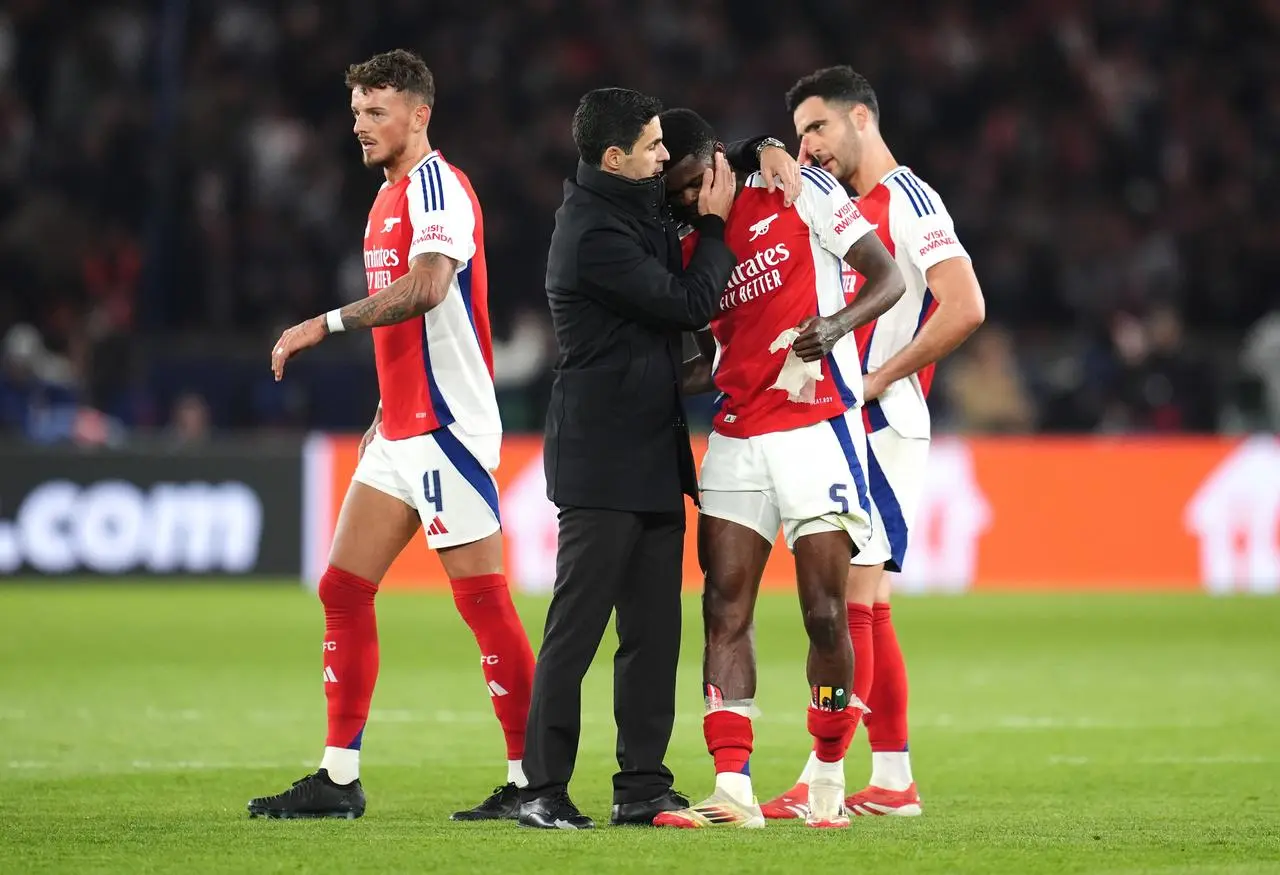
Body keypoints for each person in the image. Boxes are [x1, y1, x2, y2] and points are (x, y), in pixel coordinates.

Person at [247, 49, 536, 821]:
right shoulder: (384, 198)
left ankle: (529, 779)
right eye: (355, 114)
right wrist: (384, 400)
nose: (361, 127)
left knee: (481, 602)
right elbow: (412, 325)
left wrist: (325, 322)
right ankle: (339, 777)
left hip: (447, 429)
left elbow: (431, 285)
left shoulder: (440, 187)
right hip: (400, 427)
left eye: (377, 112)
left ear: (419, 113)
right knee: (342, 587)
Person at [649, 109, 905, 830]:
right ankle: (733, 787)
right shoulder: (691, 244)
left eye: (696, 184)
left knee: (825, 612)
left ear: (717, 163)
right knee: (723, 606)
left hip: (816, 426)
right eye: (676, 196)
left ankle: (827, 776)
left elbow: (886, 279)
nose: (691, 202)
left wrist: (838, 325)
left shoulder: (800, 190)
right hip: (737, 432)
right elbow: (710, 358)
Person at [759, 65, 985, 820]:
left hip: (884, 422)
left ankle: (819, 771)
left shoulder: (911, 201)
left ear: (862, 118)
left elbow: (965, 306)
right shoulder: (852, 209)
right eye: (799, 135)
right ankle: (891, 778)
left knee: (849, 598)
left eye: (817, 127)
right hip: (858, 422)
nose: (809, 145)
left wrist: (876, 380)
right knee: (870, 602)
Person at [516, 87, 741, 831]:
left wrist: (759, 152)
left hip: (646, 450)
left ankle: (641, 785)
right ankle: (543, 790)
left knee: (652, 633)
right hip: (601, 458)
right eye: (651, 147)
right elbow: (686, 304)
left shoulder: (628, 200)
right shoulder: (591, 234)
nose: (665, 158)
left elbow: (697, 166)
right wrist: (714, 228)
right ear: (614, 159)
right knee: (575, 630)